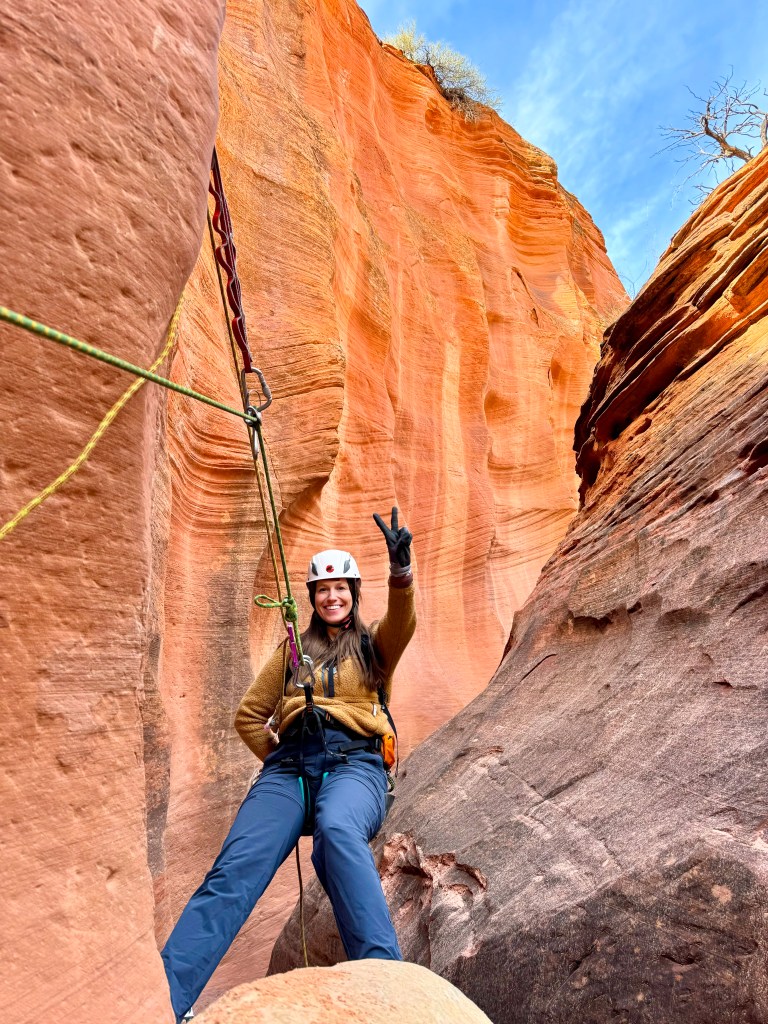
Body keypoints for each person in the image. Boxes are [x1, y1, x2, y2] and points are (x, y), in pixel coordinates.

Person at [161, 508, 416, 1023]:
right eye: (322, 590)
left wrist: (400, 571)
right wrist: (278, 758)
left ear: (354, 592)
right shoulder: (293, 651)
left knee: (337, 832)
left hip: (355, 764)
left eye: (340, 588)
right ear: (312, 596)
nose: (332, 597)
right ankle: (165, 1001)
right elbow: (248, 716)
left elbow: (403, 621)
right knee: (237, 867)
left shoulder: (374, 645)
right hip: (290, 769)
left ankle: (386, 984)